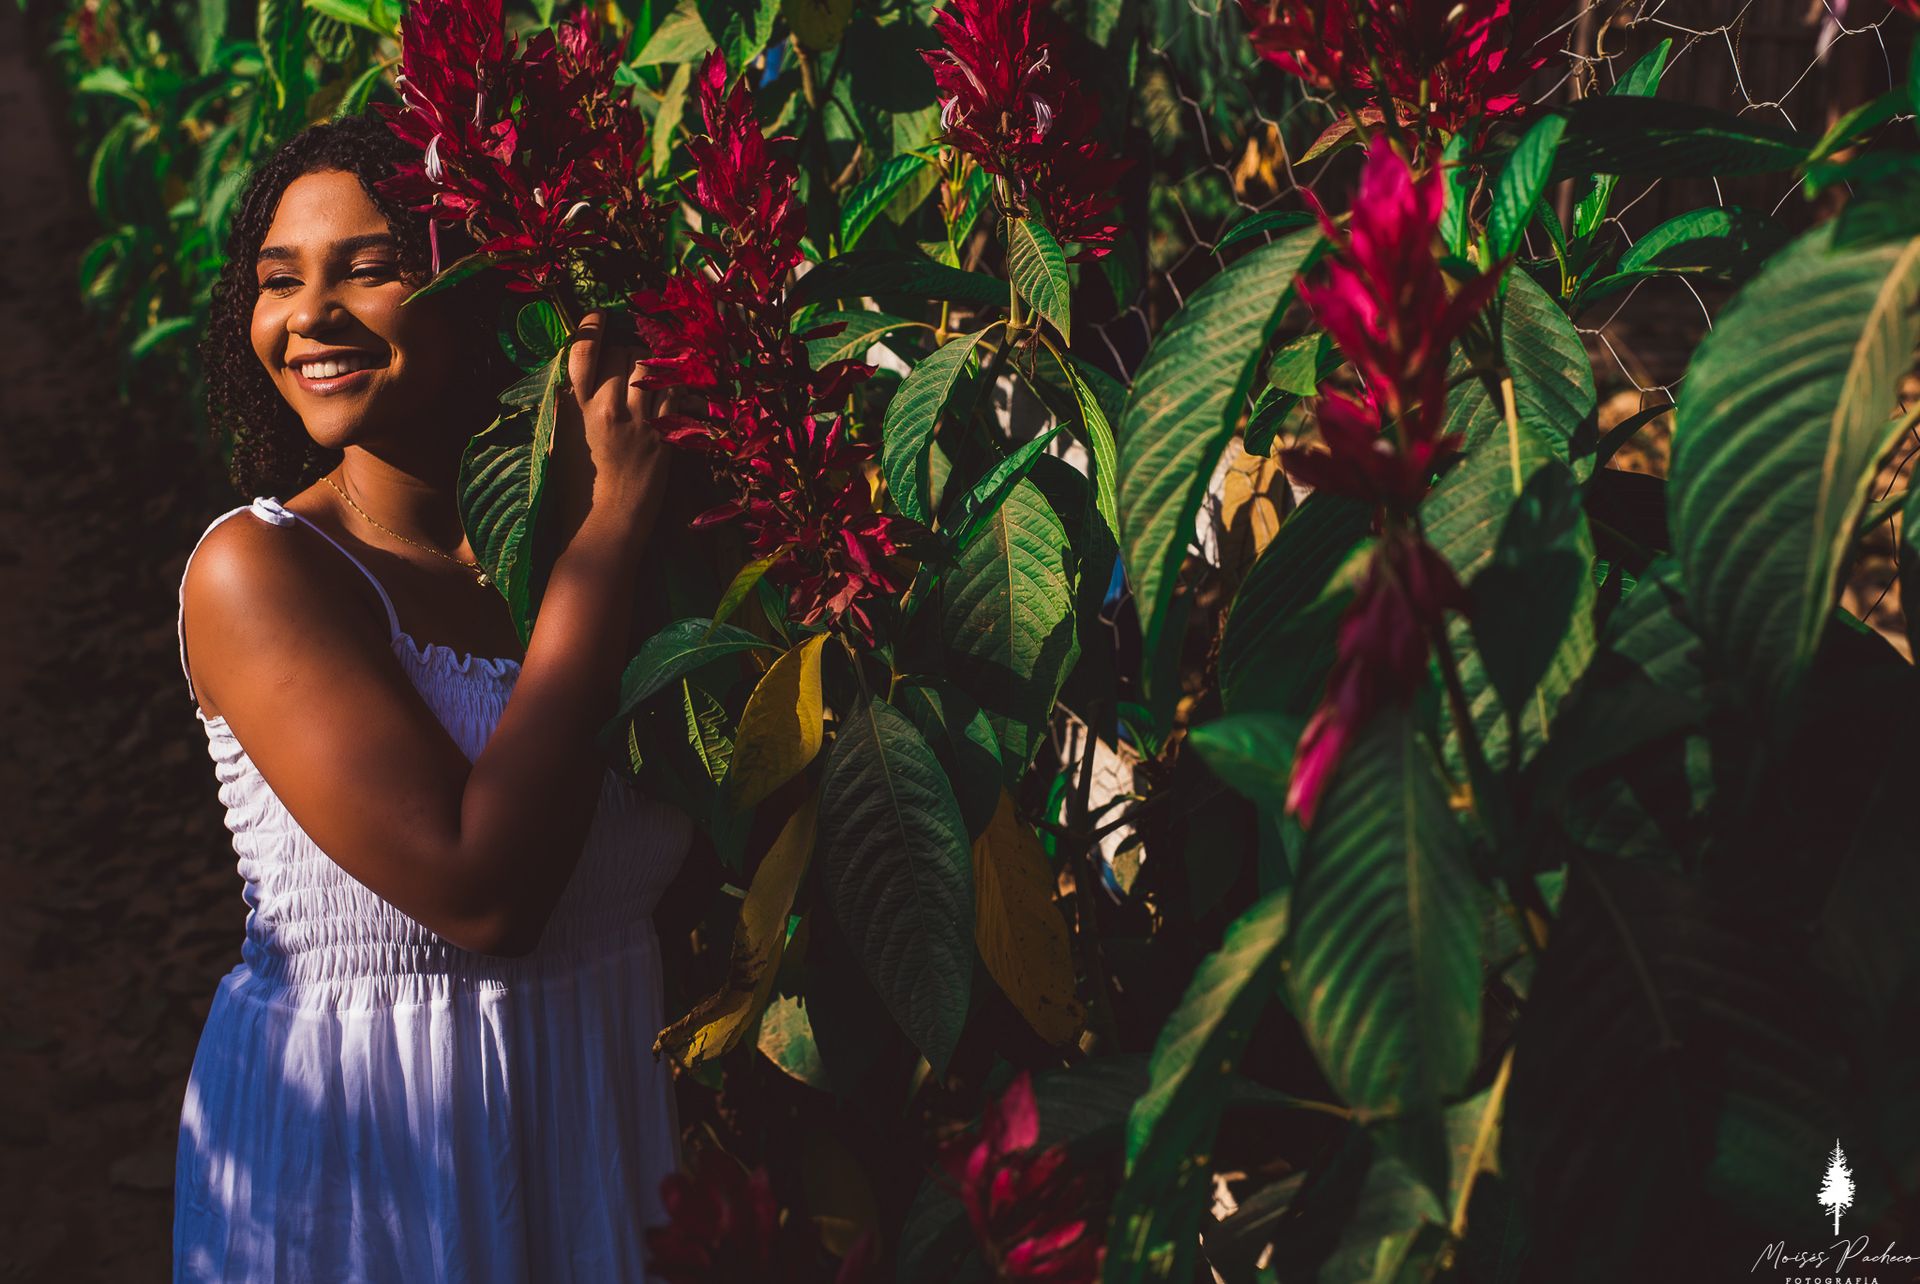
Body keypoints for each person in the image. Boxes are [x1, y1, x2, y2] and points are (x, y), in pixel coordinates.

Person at [171, 112, 689, 1282]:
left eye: (370, 267)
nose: (309, 315)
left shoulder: (589, 554)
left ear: (489, 286)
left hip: (603, 1139)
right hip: (370, 1192)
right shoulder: (261, 574)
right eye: (278, 280)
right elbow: (482, 892)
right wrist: (609, 534)